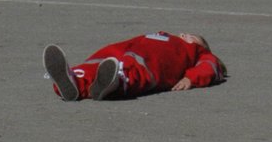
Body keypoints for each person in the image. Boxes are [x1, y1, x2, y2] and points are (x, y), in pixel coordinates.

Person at [43, 31, 226, 101]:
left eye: (193, 36)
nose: (185, 34)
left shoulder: (197, 52)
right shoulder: (165, 35)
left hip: (156, 60)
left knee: (138, 70)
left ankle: (115, 82)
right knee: (101, 59)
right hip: (130, 47)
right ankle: (74, 81)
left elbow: (210, 66)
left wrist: (191, 78)